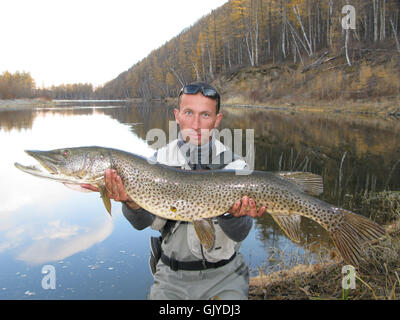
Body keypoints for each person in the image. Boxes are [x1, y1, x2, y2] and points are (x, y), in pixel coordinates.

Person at [83, 82, 266, 299]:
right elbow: (141, 223)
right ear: (177, 116)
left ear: (217, 120)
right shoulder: (156, 163)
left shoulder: (236, 167)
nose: (195, 124)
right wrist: (131, 202)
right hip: (171, 276)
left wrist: (232, 215)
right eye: (189, 113)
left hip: (226, 275)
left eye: (205, 115)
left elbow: (240, 232)